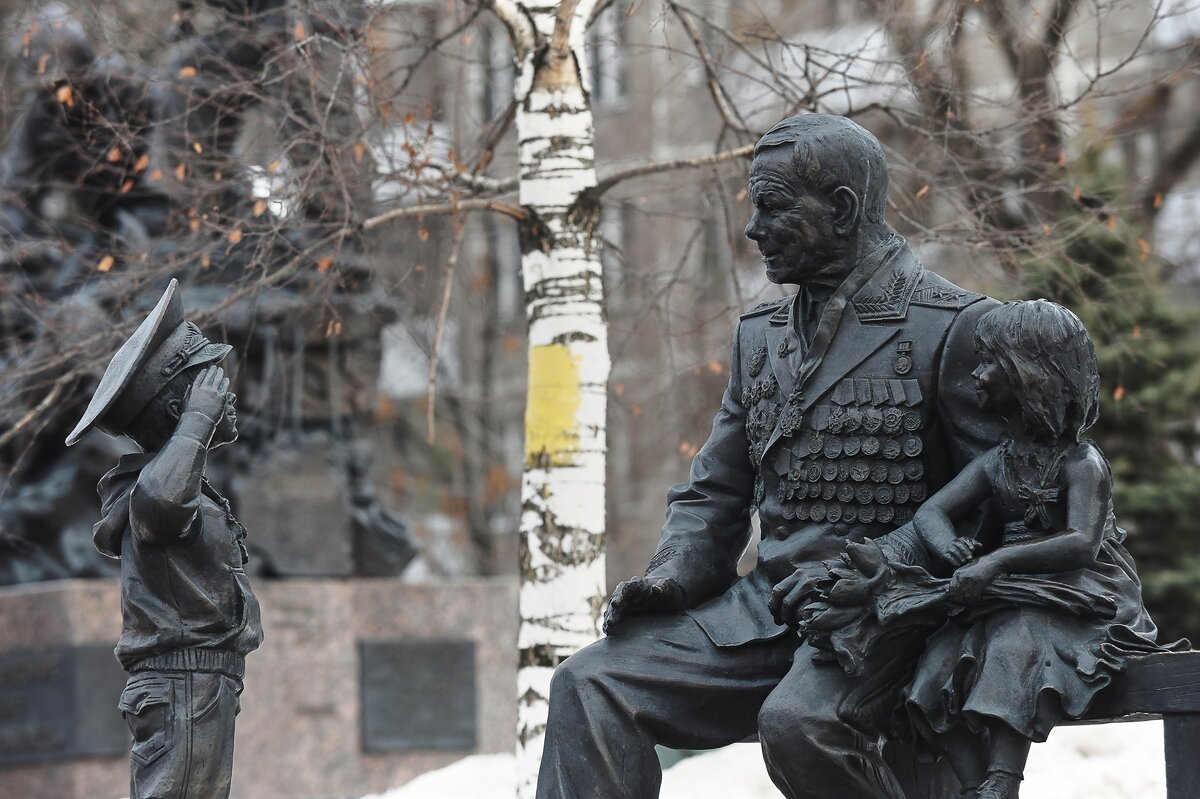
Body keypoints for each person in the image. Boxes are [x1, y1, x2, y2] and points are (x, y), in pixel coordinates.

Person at [536, 113, 1004, 799]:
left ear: (841, 209)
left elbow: (996, 505)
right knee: (590, 682)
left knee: (800, 723)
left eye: (773, 206)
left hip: (892, 618)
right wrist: (670, 576)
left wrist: (885, 580)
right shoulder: (762, 335)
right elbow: (714, 493)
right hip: (767, 615)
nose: (754, 228)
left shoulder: (952, 326)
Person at [894, 300, 1178, 798]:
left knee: (1015, 642)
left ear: (1031, 375)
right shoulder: (994, 463)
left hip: (1084, 591)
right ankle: (972, 787)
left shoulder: (1082, 462)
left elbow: (1081, 543)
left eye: (989, 363)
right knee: (937, 659)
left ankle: (1004, 779)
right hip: (1011, 588)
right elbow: (931, 514)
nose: (976, 375)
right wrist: (951, 549)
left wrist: (997, 560)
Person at [65, 278, 262, 799]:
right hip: (182, 685)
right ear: (180, 412)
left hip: (199, 684)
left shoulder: (178, 486)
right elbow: (161, 505)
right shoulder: (153, 493)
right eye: (212, 386)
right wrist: (197, 423)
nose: (229, 395)